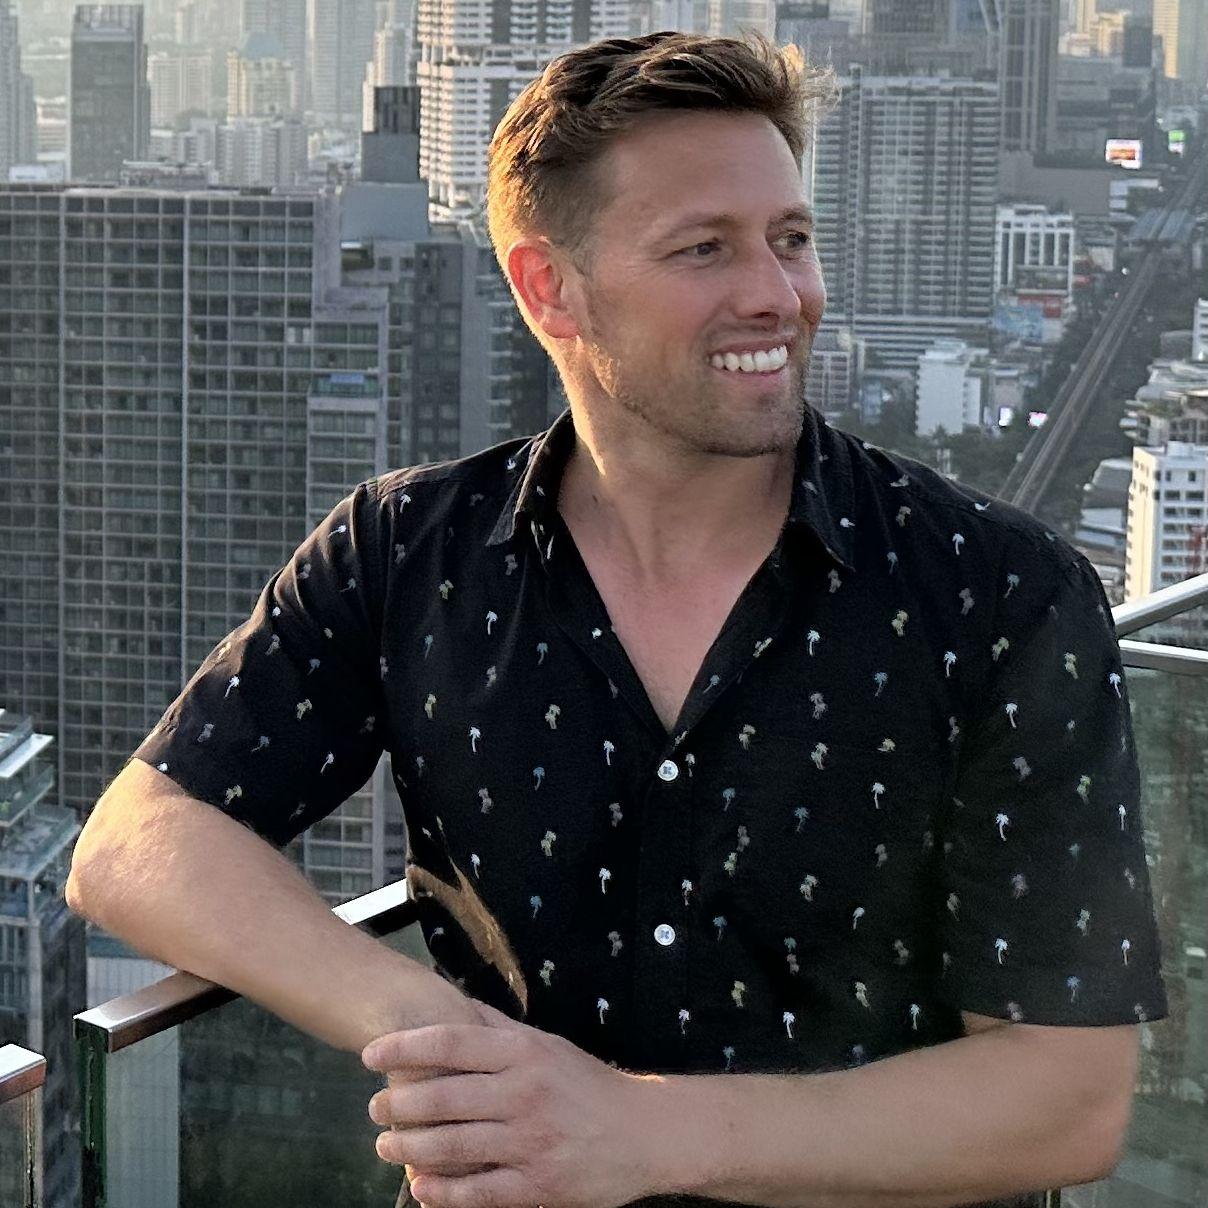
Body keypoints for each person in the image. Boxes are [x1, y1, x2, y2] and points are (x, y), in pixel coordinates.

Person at [67, 30, 1167, 1208]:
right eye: (704, 248)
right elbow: (136, 842)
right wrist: (455, 1044)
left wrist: (642, 1128)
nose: (776, 293)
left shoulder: (993, 591)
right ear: (549, 287)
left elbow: (1068, 1093)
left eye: (790, 238)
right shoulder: (411, 553)